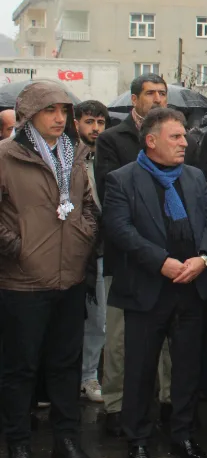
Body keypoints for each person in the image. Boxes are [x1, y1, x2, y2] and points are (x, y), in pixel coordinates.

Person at [103, 108, 207, 458]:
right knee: (140, 370)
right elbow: (120, 230)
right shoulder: (122, 179)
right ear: (151, 141)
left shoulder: (195, 176)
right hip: (147, 288)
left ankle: (182, 434)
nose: (185, 142)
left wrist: (204, 258)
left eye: (184, 136)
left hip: (191, 287)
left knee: (186, 368)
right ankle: (137, 440)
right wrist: (161, 262)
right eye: (176, 137)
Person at [0, 80, 100, 458]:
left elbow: (88, 205)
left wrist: (83, 236)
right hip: (22, 282)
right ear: (28, 115)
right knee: (20, 369)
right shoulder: (7, 156)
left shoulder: (75, 154)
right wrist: (17, 247)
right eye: (50, 111)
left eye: (64, 111)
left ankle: (66, 440)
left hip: (69, 278)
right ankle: (19, 446)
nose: (60, 118)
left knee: (65, 365)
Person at [94, 74, 172, 438]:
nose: (157, 98)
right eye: (150, 93)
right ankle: (116, 404)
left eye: (162, 93)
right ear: (134, 98)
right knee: (120, 338)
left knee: (168, 339)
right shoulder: (112, 138)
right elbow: (112, 195)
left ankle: (166, 401)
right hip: (127, 254)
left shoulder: (179, 137)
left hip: (170, 255)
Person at [75, 100, 109, 405]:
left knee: (98, 319)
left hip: (100, 247)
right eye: (89, 121)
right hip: (72, 247)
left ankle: (89, 375)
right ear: (76, 124)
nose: (95, 128)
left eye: (100, 122)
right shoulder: (69, 157)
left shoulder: (106, 157)